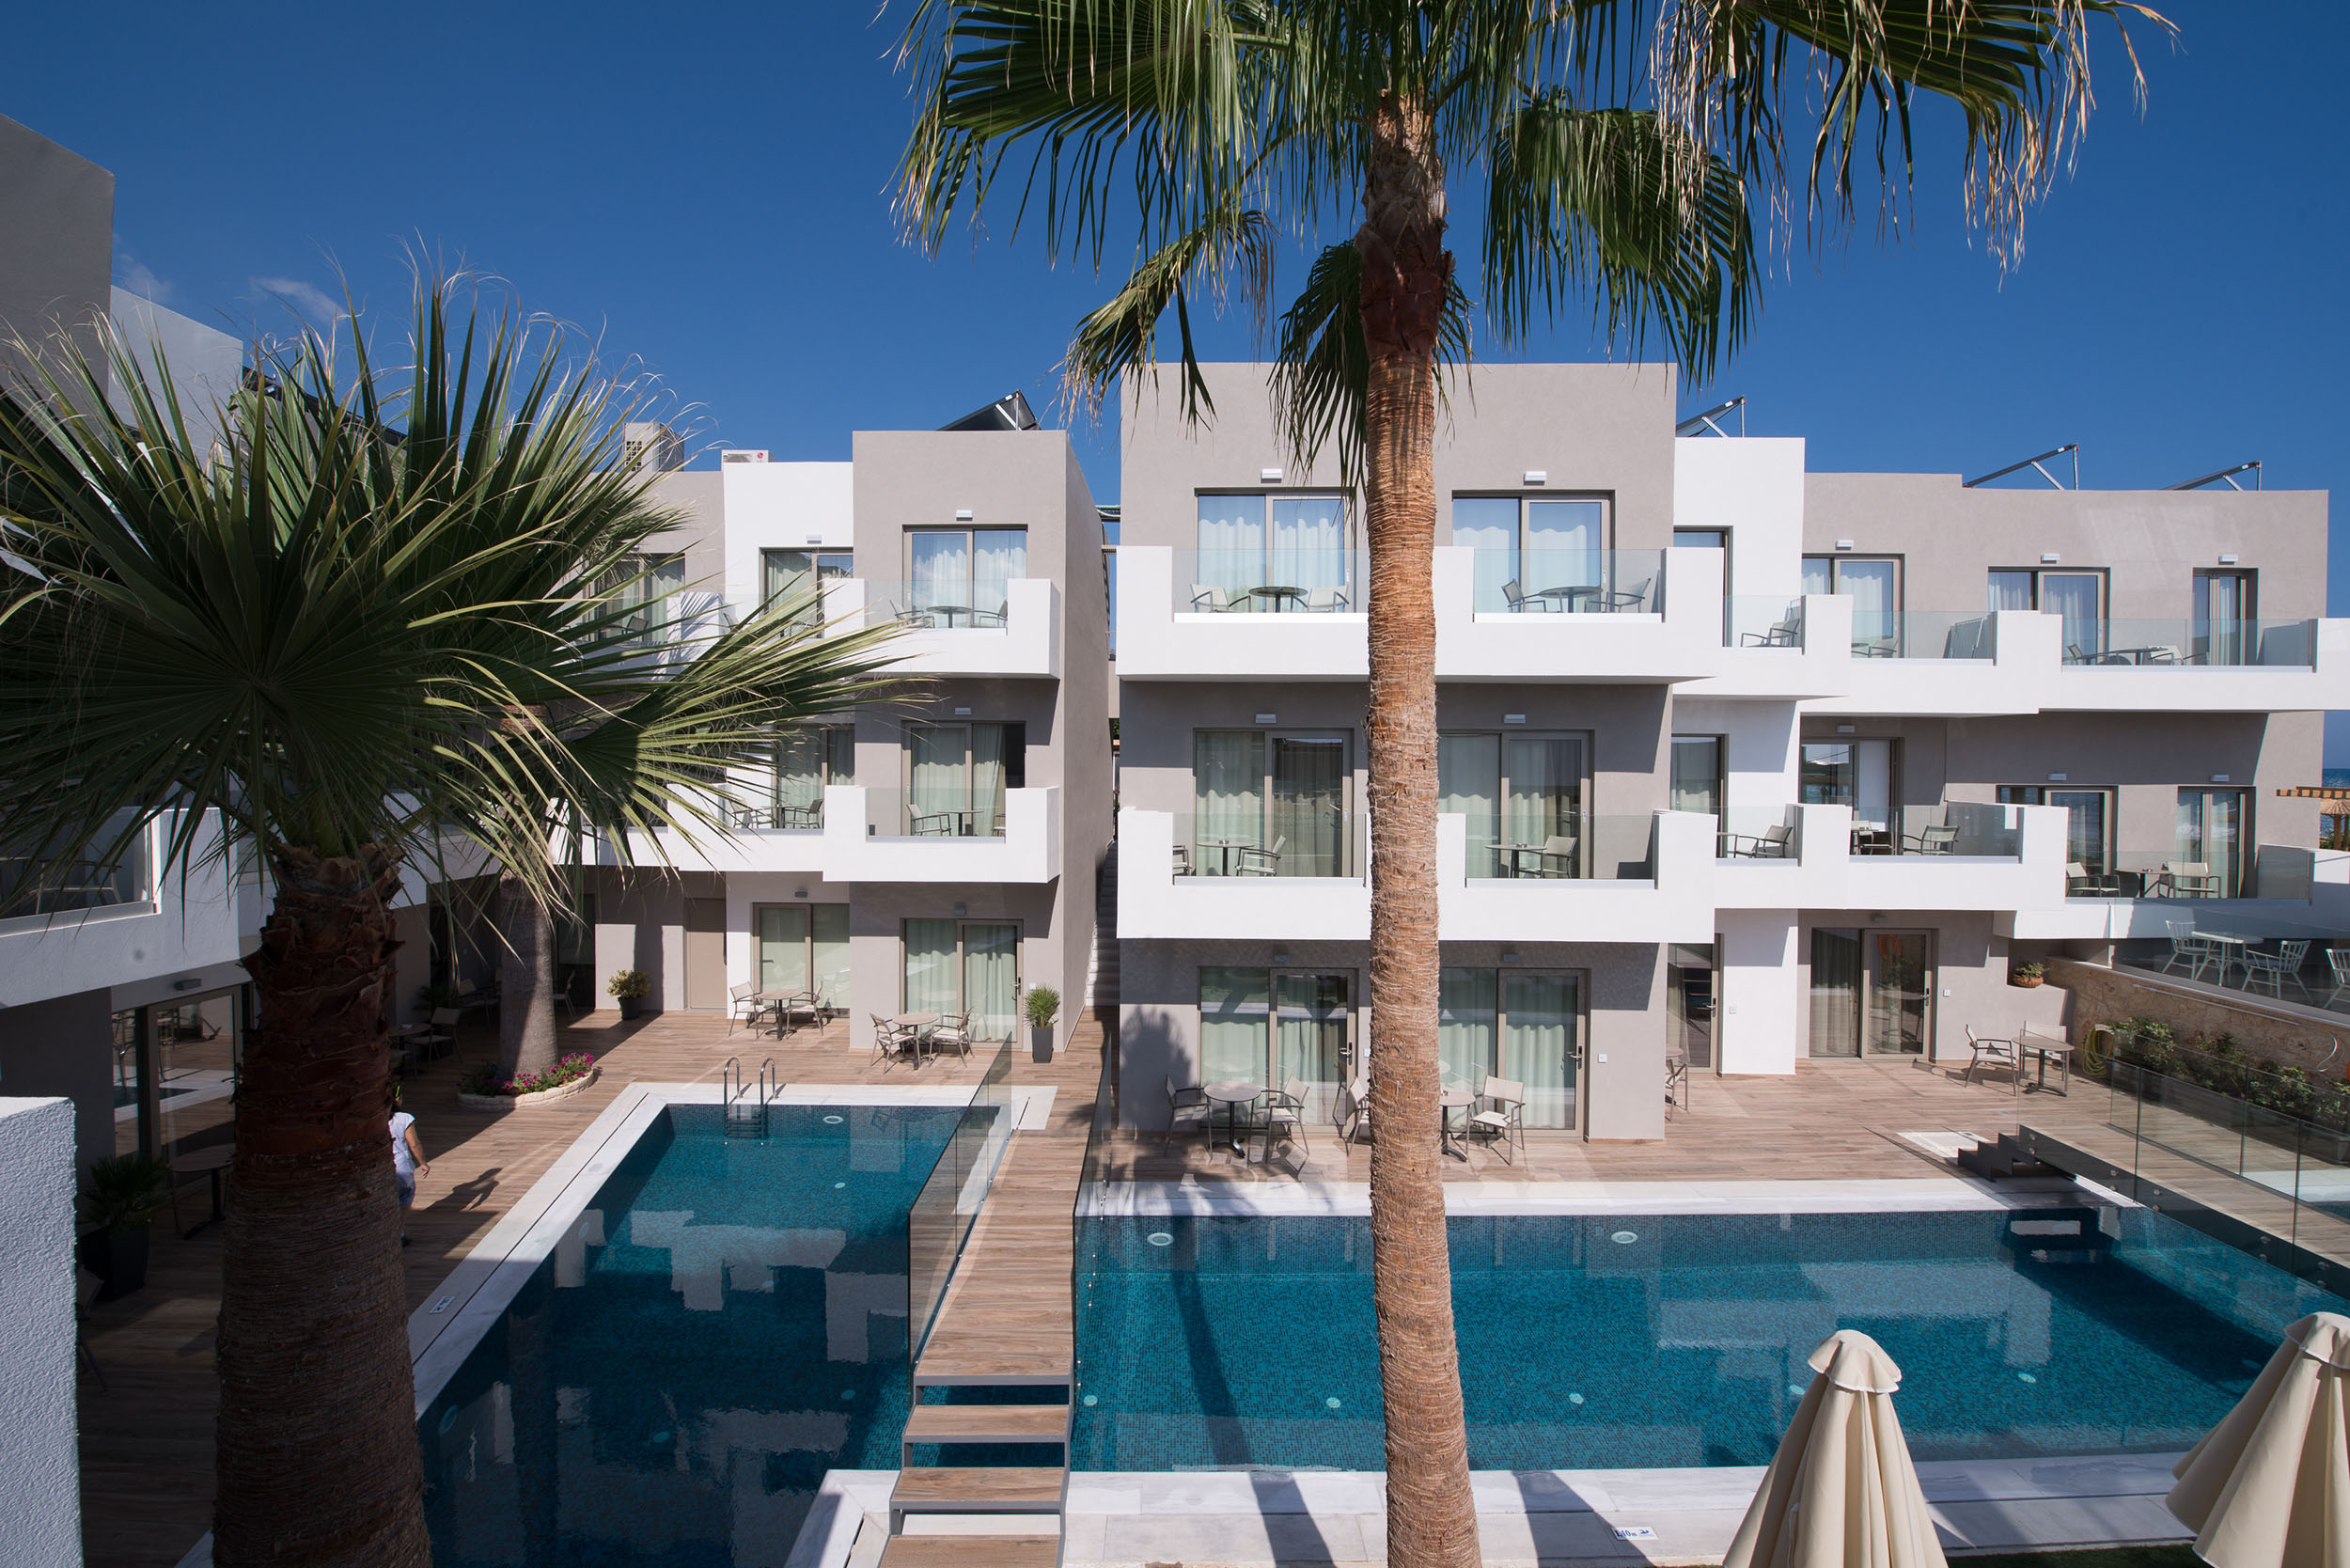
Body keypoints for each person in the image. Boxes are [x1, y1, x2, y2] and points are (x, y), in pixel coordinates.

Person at [389, 1084, 429, 1247]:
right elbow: (414, 1144)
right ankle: (398, 1232)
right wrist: (423, 1163)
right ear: (397, 1099)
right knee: (405, 1197)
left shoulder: (374, 1118)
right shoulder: (404, 1119)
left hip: (381, 1167)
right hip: (401, 1166)